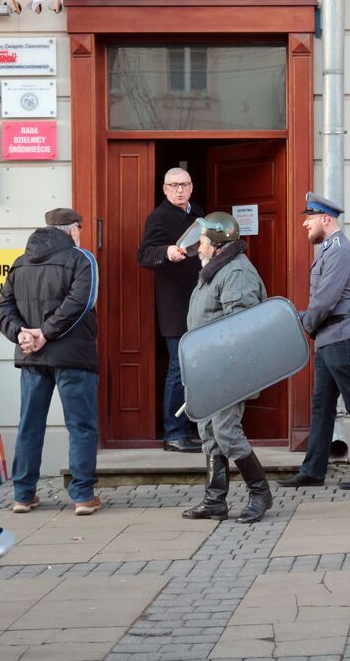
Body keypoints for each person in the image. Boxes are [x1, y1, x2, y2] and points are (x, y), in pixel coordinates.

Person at [0, 207, 102, 516]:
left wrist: (21, 335)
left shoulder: (20, 262)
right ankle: (82, 496)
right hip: (73, 357)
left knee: (30, 425)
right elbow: (81, 303)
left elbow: (3, 308)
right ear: (72, 230)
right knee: (81, 425)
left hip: (32, 358)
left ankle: (23, 496)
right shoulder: (82, 259)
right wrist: (45, 333)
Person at [278, 192, 350, 491]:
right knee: (321, 406)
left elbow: (326, 299)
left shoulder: (338, 250)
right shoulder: (328, 249)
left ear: (325, 219)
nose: (305, 225)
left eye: (309, 219)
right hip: (331, 338)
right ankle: (313, 470)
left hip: (344, 339)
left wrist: (306, 323)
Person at [178, 212, 274, 524]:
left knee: (225, 430)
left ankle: (260, 493)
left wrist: (221, 363)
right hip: (208, 368)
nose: (199, 246)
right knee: (208, 430)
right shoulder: (214, 270)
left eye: (203, 241)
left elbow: (242, 326)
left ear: (217, 245)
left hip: (229, 369)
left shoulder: (236, 273)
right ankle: (215, 501)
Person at [137, 167, 204, 452]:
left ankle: (190, 428)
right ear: (164, 189)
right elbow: (143, 254)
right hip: (175, 307)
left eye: (184, 185)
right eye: (173, 185)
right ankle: (173, 433)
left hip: (200, 305)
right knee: (179, 369)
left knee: (197, 371)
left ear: (191, 187)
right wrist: (166, 253)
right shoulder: (159, 217)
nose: (179, 190)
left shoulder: (198, 213)